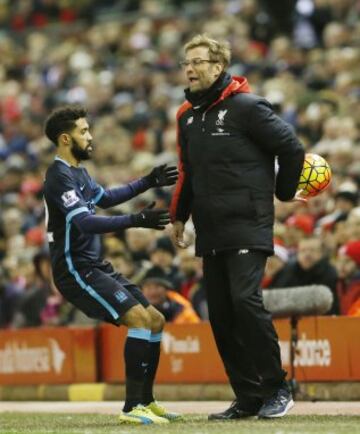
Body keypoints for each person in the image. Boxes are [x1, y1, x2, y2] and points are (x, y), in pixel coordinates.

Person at [170, 34, 305, 419]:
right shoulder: (187, 116)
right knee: (223, 314)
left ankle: (278, 387)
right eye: (186, 62)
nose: (190, 69)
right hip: (211, 228)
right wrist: (179, 215)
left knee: (245, 302)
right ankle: (248, 397)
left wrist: (282, 192)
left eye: (197, 61)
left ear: (218, 66)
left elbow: (291, 147)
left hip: (249, 221)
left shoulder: (248, 107)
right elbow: (187, 171)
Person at [43, 106, 181, 425]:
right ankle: (132, 407)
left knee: (155, 319)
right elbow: (86, 224)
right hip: (75, 269)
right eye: (84, 131)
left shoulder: (78, 172)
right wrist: (135, 220)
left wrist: (147, 182)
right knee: (137, 318)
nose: (90, 137)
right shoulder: (58, 176)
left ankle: (147, 401)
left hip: (95, 265)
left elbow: (104, 198)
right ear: (66, 138)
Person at [267, 237, 339, 314]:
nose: (307, 254)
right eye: (303, 251)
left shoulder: (329, 273)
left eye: (312, 250)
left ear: (321, 253)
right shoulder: (288, 272)